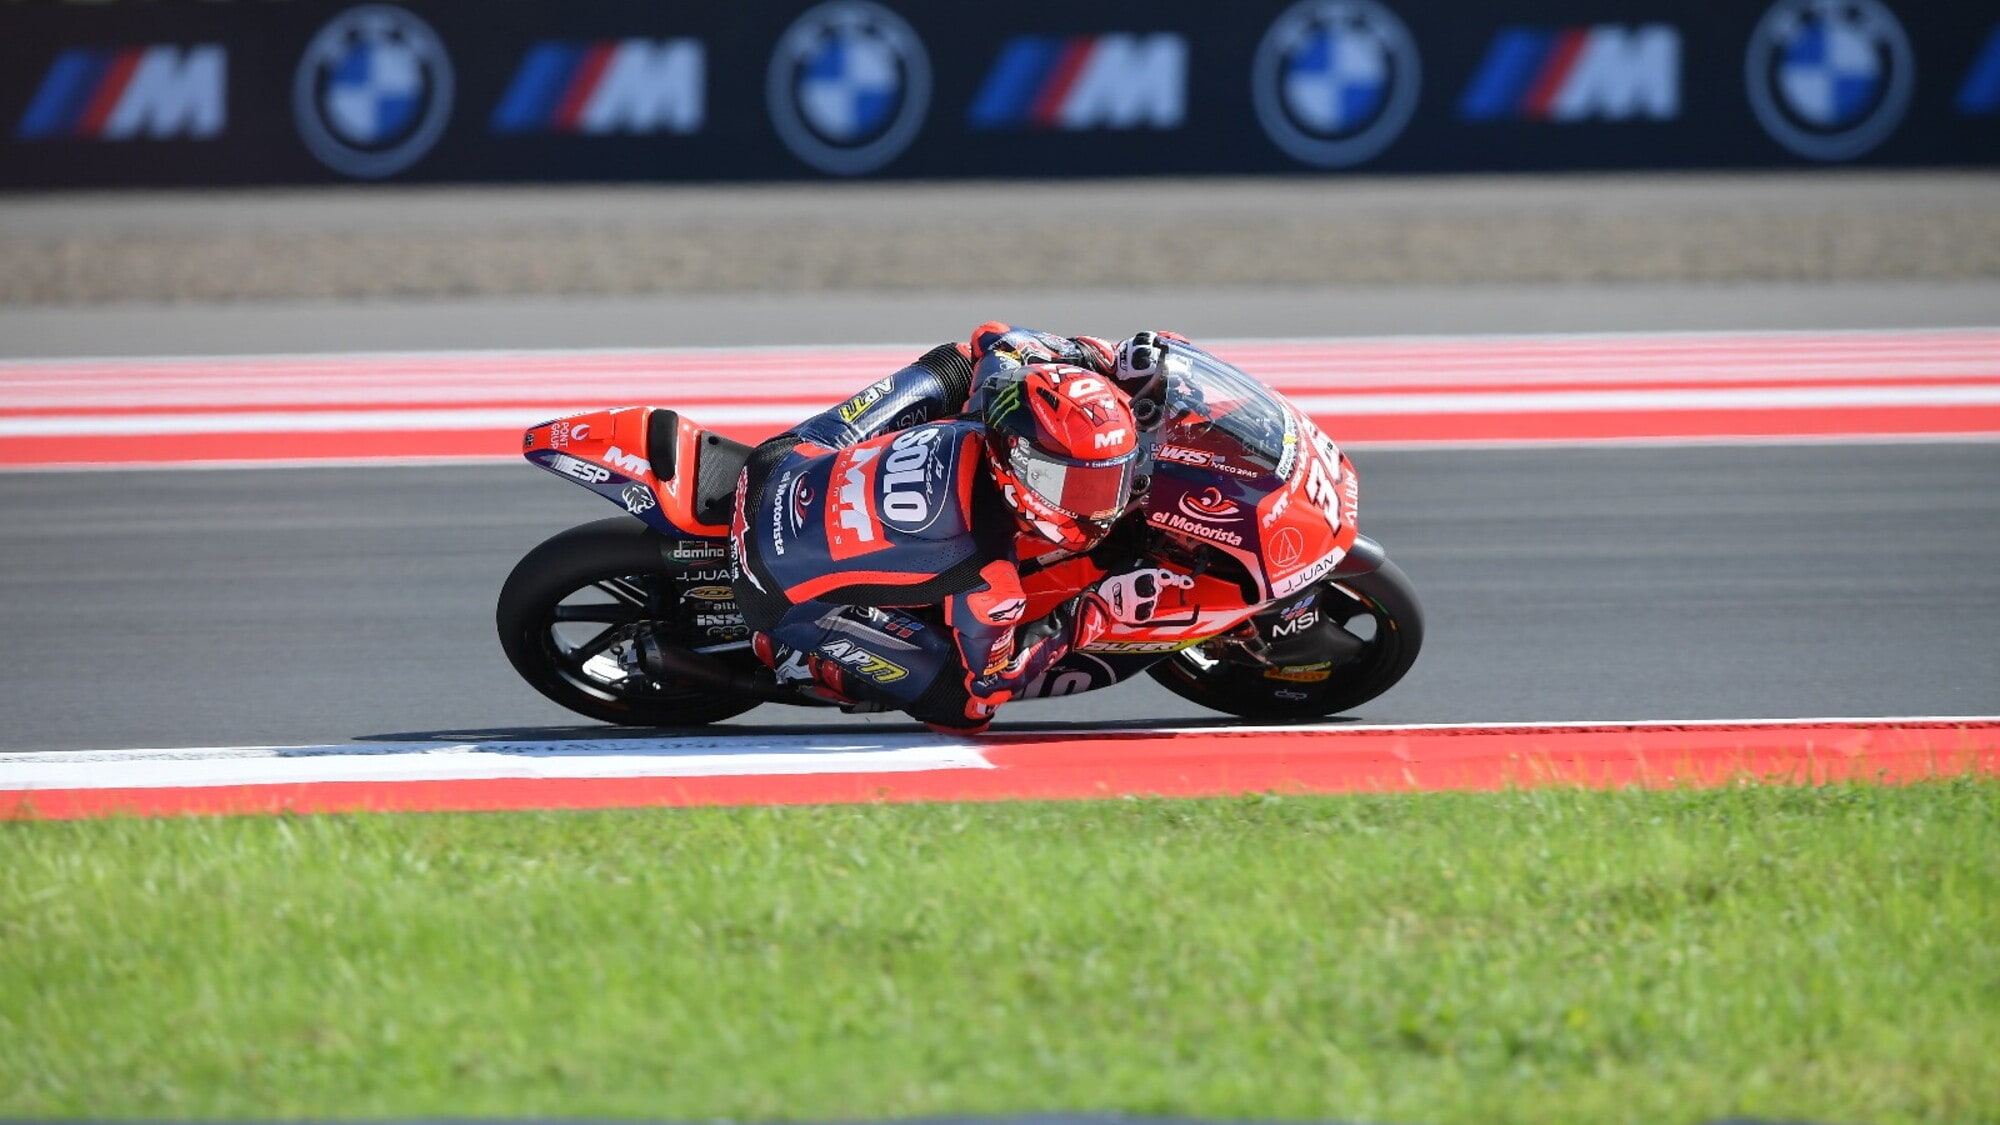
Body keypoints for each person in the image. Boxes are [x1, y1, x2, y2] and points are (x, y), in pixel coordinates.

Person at [727, 322, 1187, 732]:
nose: (1100, 504)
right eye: (1076, 486)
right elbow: (993, 681)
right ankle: (801, 658)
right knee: (964, 707)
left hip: (777, 463)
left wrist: (1106, 358)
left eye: (1110, 479)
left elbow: (995, 337)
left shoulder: (989, 408)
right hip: (769, 586)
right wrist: (1093, 613)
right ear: (1022, 465)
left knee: (958, 362)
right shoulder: (992, 574)